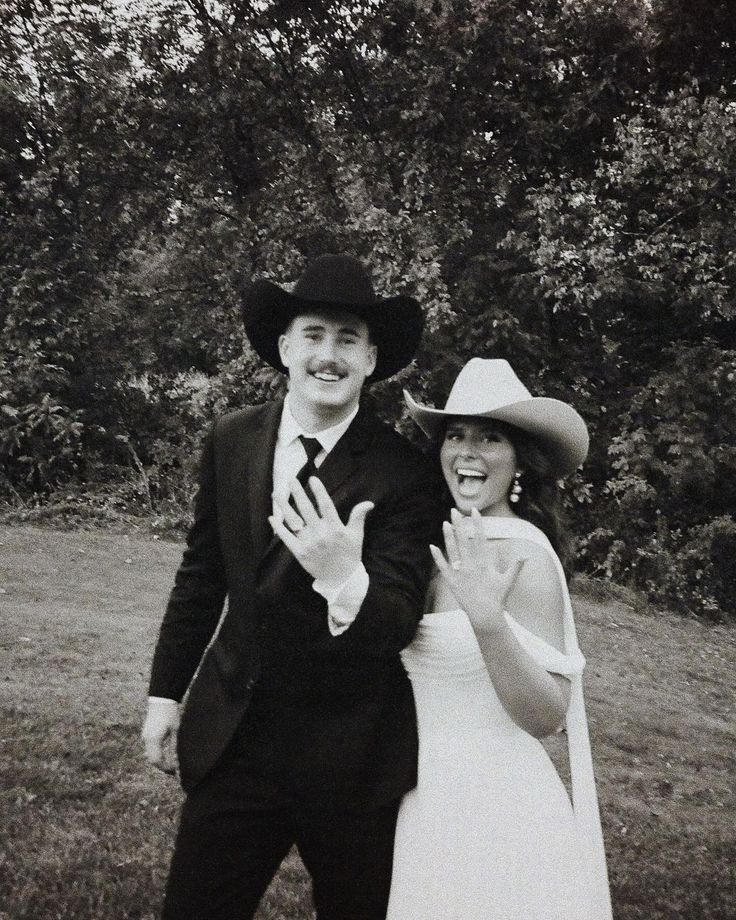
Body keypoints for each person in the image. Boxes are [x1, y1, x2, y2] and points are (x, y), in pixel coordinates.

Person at [141, 254, 440, 920]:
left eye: (347, 339)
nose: (327, 356)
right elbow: (201, 576)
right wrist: (165, 692)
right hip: (235, 739)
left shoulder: (405, 475)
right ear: (284, 347)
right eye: (313, 335)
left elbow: (397, 623)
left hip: (351, 758)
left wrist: (343, 576)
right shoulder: (233, 439)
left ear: (371, 358)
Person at [385, 357, 614, 919]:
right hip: (425, 799)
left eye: (490, 437)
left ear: (518, 463)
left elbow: (547, 716)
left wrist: (489, 625)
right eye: (456, 434)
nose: (468, 451)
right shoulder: (435, 543)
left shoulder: (526, 556)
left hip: (501, 807)